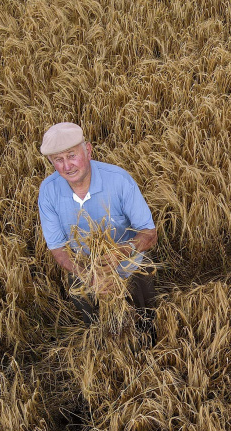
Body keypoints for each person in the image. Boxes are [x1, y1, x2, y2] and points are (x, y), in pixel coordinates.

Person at [37, 122, 158, 338]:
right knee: (96, 327)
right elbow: (57, 249)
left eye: (72, 155)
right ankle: (103, 348)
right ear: (51, 162)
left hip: (129, 264)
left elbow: (149, 233)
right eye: (58, 160)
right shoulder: (48, 192)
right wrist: (90, 276)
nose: (67, 166)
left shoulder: (119, 180)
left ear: (88, 150)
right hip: (83, 269)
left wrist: (121, 253)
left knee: (147, 317)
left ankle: (148, 338)